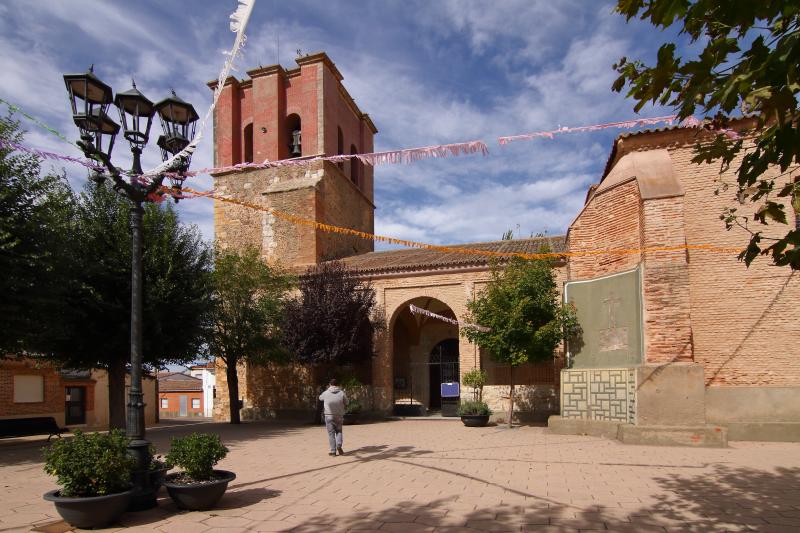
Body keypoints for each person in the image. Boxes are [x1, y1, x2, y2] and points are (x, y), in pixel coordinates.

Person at [319, 378, 348, 456]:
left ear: (330, 384)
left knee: (331, 434)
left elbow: (320, 398)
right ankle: (339, 445)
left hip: (328, 416)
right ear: (337, 384)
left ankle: (333, 451)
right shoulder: (342, 393)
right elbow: (347, 402)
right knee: (339, 431)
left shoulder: (326, 393)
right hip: (339, 415)